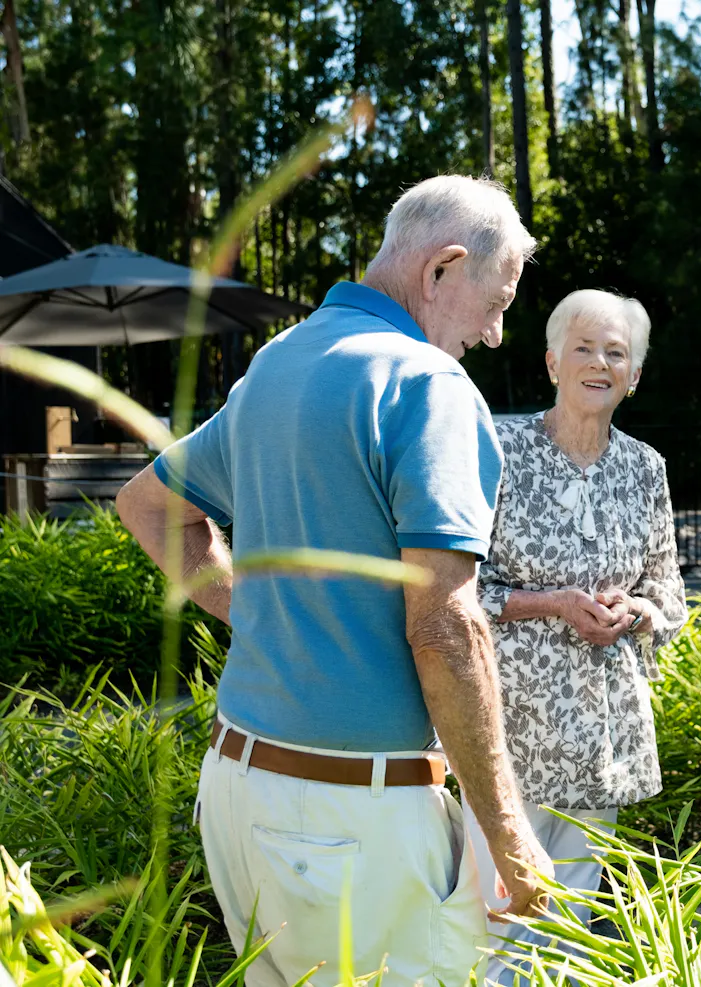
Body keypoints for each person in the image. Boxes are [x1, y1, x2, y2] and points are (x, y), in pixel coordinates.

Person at [115, 176, 553, 987]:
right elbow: (446, 629)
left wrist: (261, 615)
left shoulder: (280, 361)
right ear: (443, 269)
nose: (495, 335)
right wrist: (510, 837)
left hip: (238, 794)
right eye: (498, 303)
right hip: (352, 821)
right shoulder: (430, 386)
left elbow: (146, 507)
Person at [468, 288, 689, 979]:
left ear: (635, 375)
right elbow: (457, 586)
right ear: (552, 361)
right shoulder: (501, 451)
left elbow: (669, 593)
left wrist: (641, 612)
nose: (600, 362)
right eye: (584, 348)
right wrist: (555, 603)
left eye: (616, 352)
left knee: (571, 923)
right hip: (511, 728)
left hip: (602, 735)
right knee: (497, 916)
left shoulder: (645, 468)